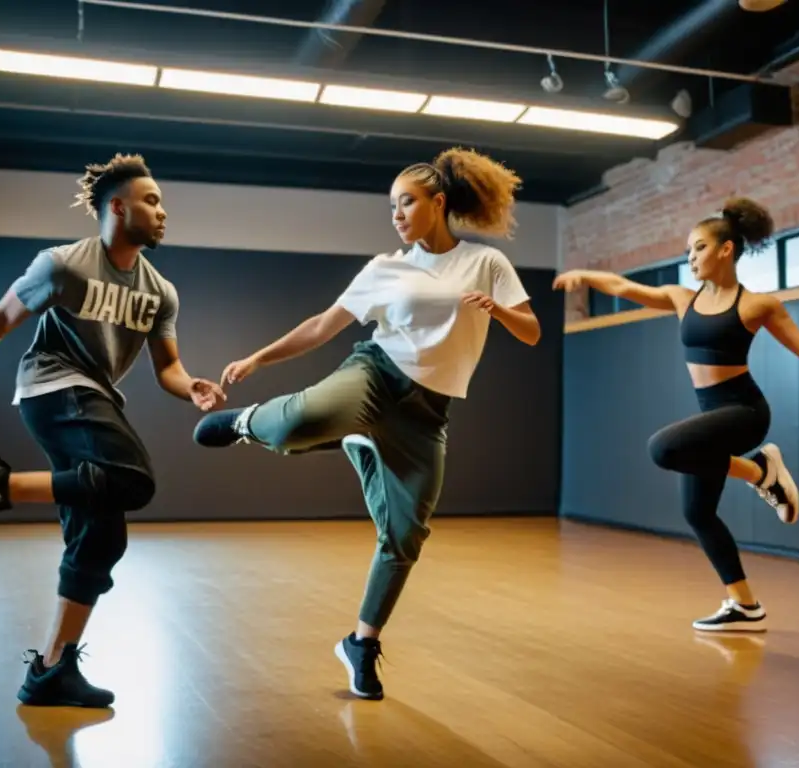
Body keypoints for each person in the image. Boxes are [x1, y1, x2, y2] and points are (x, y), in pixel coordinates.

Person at [192, 147, 541, 700]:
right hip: (376, 374)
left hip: (428, 412)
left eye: (407, 202)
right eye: (392, 206)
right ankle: (249, 423)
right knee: (297, 422)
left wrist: (499, 310)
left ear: (439, 202)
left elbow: (531, 332)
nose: (397, 214)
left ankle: (361, 642)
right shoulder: (384, 268)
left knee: (405, 536)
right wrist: (258, 359)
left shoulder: (486, 263)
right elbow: (322, 326)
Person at [0, 153, 225, 707]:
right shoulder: (63, 265)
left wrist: (191, 387)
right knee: (132, 479)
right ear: (117, 207)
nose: (162, 212)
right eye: (152, 201)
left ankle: (51, 671)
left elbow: (168, 368)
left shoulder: (161, 291)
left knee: (102, 537)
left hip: (98, 396)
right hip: (51, 387)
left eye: (162, 203)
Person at [553, 197, 799, 632]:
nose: (691, 257)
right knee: (698, 513)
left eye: (698, 247)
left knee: (662, 448)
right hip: (712, 418)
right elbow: (625, 289)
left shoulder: (756, 305)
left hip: (744, 413)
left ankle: (760, 470)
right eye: (688, 250)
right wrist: (585, 275)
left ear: (725, 249)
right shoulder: (682, 298)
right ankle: (745, 605)